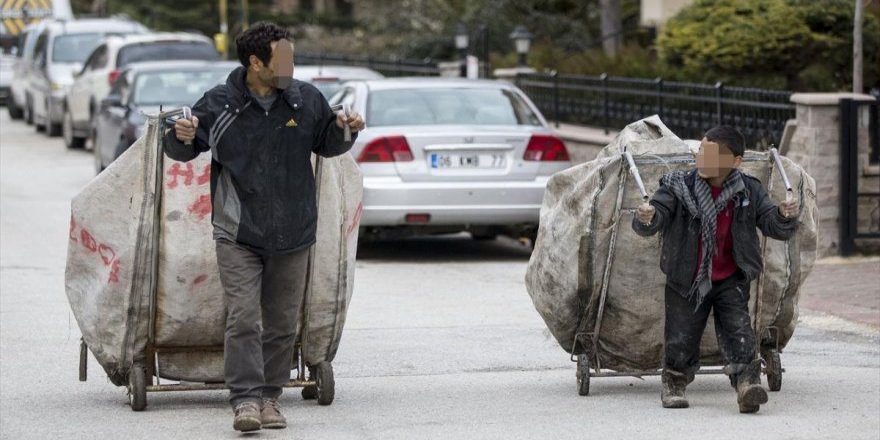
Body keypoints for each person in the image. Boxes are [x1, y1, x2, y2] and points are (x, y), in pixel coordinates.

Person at [163, 22, 365, 432]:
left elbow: (327, 141)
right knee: (243, 317)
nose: (291, 64)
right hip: (238, 230)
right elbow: (184, 147)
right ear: (255, 63)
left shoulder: (305, 100)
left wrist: (346, 128)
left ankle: (270, 397)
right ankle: (245, 401)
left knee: (281, 321)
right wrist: (180, 135)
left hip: (295, 229)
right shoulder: (221, 103)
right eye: (283, 57)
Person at [632, 126, 799, 413]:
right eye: (701, 152)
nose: (703, 159)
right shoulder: (676, 187)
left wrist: (784, 216)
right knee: (680, 336)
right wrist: (647, 218)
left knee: (740, 333)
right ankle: (674, 383)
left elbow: (772, 224)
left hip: (731, 277)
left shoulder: (748, 189)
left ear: (735, 161)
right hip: (687, 278)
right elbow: (656, 216)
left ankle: (747, 385)